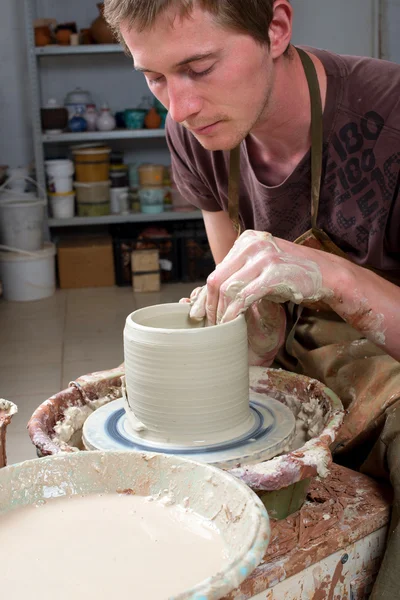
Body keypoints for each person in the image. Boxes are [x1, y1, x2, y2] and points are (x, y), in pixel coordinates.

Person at [104, 1, 399, 597]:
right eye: (154, 77)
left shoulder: (391, 114)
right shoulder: (198, 132)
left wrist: (337, 278)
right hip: (298, 354)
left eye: (199, 67)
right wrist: (240, 330)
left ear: (275, 28)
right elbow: (235, 296)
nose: (179, 108)